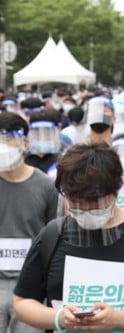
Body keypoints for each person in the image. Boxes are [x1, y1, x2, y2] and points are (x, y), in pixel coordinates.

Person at [13, 142, 124, 332]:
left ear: (118, 187)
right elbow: (22, 302)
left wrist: (120, 319)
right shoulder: (52, 236)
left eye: (96, 202)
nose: (86, 210)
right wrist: (58, 317)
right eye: (76, 202)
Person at [0, 112, 58, 333]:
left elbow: (54, 235)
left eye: (7, 139)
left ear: (25, 143)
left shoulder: (46, 187)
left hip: (30, 286)